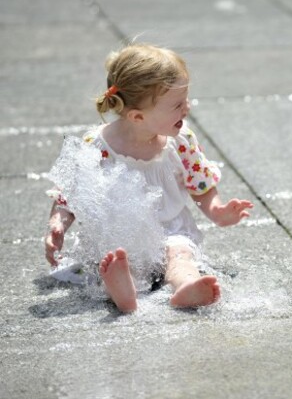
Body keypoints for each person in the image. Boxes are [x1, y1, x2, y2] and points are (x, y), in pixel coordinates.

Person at [44, 43, 253, 313]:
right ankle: (122, 288)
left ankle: (186, 285)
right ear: (138, 116)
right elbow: (72, 193)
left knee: (179, 255)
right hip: (121, 233)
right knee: (113, 258)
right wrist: (57, 223)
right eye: (177, 105)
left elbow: (199, 184)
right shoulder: (97, 146)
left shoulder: (180, 140)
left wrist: (218, 211)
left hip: (171, 230)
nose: (187, 108)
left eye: (185, 100)